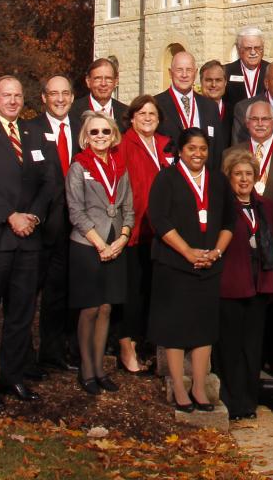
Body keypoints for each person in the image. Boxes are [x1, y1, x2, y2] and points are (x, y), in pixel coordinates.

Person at [0, 75, 59, 410]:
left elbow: (49, 181)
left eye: (18, 96)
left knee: (21, 314)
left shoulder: (34, 133)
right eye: (7, 95)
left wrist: (32, 215)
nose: (13, 101)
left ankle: (12, 376)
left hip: (28, 240)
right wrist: (9, 216)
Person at [147, 128, 234, 413]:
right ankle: (180, 388)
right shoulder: (167, 178)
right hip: (175, 265)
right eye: (192, 148)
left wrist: (216, 253)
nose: (198, 154)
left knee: (203, 330)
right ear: (180, 151)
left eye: (203, 149)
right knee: (175, 329)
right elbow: (159, 220)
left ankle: (199, 386)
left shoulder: (218, 180)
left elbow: (229, 222)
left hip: (209, 266)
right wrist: (187, 252)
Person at [65, 111, 133, 395]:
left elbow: (128, 206)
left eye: (105, 132)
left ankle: (101, 368)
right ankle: (87, 369)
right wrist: (99, 243)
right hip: (87, 244)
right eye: (94, 132)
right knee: (90, 308)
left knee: (106, 308)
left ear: (113, 134)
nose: (100, 137)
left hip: (115, 242)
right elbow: (75, 211)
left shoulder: (120, 164)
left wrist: (123, 237)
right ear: (85, 137)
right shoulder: (79, 167)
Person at [217, 148, 273, 420]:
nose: (244, 179)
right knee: (229, 347)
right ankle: (229, 400)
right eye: (238, 174)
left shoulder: (266, 206)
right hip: (230, 286)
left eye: (249, 174)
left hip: (258, 287)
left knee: (252, 348)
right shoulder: (221, 205)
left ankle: (248, 402)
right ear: (228, 177)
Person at [114, 94, 169, 374]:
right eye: (142, 113)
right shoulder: (124, 144)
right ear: (132, 117)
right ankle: (127, 348)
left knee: (152, 290)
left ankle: (146, 343)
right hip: (134, 229)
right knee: (131, 292)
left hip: (161, 233)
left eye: (152, 114)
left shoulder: (164, 145)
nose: (147, 118)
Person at [31, 75, 78, 376]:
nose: (59, 99)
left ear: (72, 97)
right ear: (44, 98)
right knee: (29, 293)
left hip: (73, 226)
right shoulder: (31, 130)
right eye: (53, 94)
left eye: (65, 93)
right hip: (41, 227)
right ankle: (23, 354)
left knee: (60, 293)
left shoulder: (83, 127)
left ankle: (54, 352)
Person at [156, 51, 227, 154]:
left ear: (195, 73)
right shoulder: (156, 105)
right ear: (170, 73)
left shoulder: (210, 107)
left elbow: (217, 150)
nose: (184, 75)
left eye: (189, 70)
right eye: (179, 70)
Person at [225, 27, 270, 115]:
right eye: (248, 48)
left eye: (257, 48)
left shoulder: (272, 71)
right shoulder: (226, 71)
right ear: (238, 49)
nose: (253, 52)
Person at [82, 58, 129, 127]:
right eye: (97, 78)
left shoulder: (126, 113)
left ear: (116, 82)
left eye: (108, 78)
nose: (103, 84)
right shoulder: (72, 112)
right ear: (88, 81)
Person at [200, 59, 235, 136]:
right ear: (201, 82)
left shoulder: (234, 113)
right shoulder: (194, 110)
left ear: (225, 82)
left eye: (218, 80)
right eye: (209, 80)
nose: (213, 85)